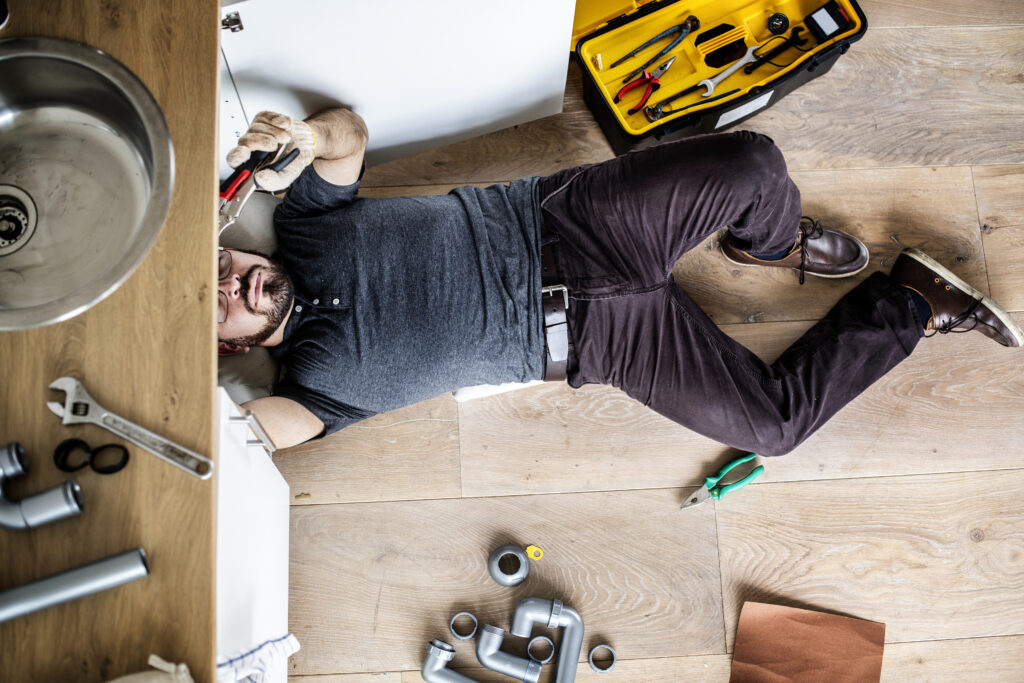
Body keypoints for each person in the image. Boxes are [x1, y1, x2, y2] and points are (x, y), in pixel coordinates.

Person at [218, 109, 1022, 450]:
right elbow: (243, 442)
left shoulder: (305, 226)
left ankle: (765, 244)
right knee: (773, 430)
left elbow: (348, 133)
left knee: (755, 163)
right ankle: (915, 298)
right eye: (218, 304)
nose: (235, 282)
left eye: (223, 267)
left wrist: (304, 133)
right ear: (225, 349)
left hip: (569, 223)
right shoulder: (313, 389)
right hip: (603, 341)